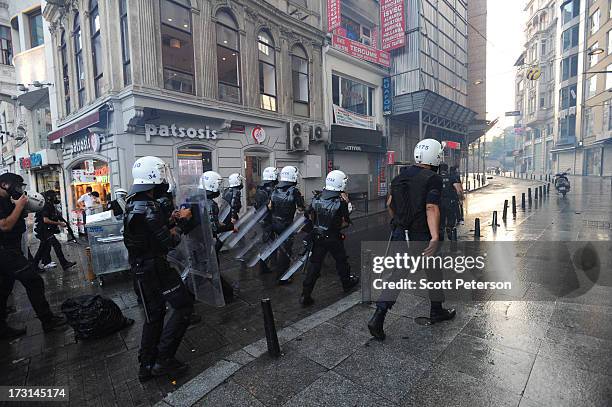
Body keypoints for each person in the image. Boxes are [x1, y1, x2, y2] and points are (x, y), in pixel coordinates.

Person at [368, 139, 456, 340]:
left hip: (401, 233)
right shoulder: (432, 178)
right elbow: (431, 207)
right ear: (435, 156)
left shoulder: (400, 176)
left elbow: (390, 203)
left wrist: (399, 222)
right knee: (434, 272)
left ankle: (379, 316)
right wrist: (434, 236)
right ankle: (436, 310)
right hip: (421, 236)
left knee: (398, 274)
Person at [123, 156, 194, 381]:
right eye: (162, 172)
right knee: (183, 306)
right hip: (156, 268)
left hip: (140, 269)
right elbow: (169, 243)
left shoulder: (133, 202)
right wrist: (183, 221)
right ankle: (163, 359)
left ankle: (146, 364)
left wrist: (170, 220)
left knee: (154, 316)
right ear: (155, 176)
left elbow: (151, 232)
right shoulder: (150, 207)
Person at [0, 173, 66, 340]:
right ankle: (48, 320)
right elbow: (6, 225)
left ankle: (2, 329)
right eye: (16, 186)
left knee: (4, 289)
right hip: (6, 252)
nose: (19, 190)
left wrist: (23, 207)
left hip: (10, 250)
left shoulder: (7, 201)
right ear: (4, 185)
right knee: (33, 281)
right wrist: (19, 206)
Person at [300, 170, 360, 306]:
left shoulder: (317, 197)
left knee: (314, 265)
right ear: (340, 183)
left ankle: (305, 294)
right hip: (333, 238)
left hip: (318, 237)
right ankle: (346, 283)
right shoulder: (341, 201)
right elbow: (344, 222)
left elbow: (308, 215)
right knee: (341, 261)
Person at [200, 171, 237, 301]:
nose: (219, 187)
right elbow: (214, 227)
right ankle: (225, 294)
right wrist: (230, 227)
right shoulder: (210, 203)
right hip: (208, 241)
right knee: (213, 268)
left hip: (199, 241)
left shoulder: (198, 199)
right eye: (218, 184)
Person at [269, 166, 304, 283]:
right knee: (286, 250)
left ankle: (275, 268)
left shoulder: (274, 189)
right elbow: (301, 208)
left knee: (279, 248)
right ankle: (283, 277)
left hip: (274, 222)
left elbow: (270, 206)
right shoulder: (294, 191)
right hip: (286, 224)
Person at [33, 190, 77, 271]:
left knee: (42, 248)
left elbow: (54, 216)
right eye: (54, 196)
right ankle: (64, 264)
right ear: (50, 197)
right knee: (56, 245)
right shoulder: (46, 206)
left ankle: (34, 266)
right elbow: (45, 220)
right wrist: (59, 223)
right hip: (44, 230)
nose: (56, 198)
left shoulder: (50, 205)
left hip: (45, 230)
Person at [254, 167, 278, 274]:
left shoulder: (260, 189)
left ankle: (265, 266)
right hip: (267, 221)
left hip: (262, 220)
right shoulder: (269, 190)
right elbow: (270, 206)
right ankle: (265, 267)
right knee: (269, 244)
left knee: (267, 243)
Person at [438, 164, 462, 241]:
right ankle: (449, 227)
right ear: (447, 169)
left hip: (439, 202)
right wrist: (460, 198)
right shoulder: (451, 177)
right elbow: (458, 190)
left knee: (441, 220)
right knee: (451, 217)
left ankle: (441, 233)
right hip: (450, 202)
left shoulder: (436, 178)